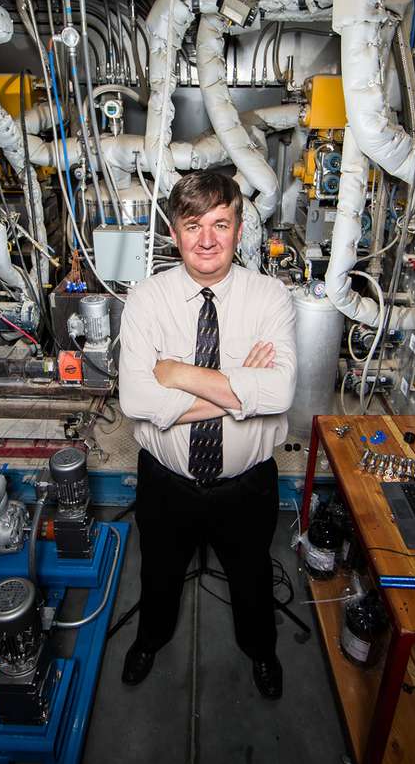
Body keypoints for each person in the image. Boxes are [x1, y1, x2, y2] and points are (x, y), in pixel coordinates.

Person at [117, 170, 297, 699]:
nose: (207, 240)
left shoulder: (270, 298)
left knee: (252, 578)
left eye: (221, 224)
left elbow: (281, 392)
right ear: (174, 233)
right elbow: (136, 401)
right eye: (193, 226)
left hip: (246, 486)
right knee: (159, 573)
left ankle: (261, 652)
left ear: (239, 230)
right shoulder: (147, 299)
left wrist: (175, 374)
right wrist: (238, 389)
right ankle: (149, 640)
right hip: (166, 484)